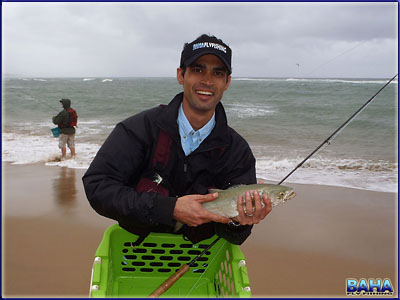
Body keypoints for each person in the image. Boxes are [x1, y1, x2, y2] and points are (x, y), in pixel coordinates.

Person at [82, 34, 272, 245]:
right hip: (133, 250)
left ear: (227, 82)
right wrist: (169, 208)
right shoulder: (139, 129)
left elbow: (235, 235)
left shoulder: (237, 151)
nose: (207, 81)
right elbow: (98, 186)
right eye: (198, 70)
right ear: (181, 75)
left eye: (217, 73)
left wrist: (239, 222)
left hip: (199, 261)